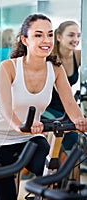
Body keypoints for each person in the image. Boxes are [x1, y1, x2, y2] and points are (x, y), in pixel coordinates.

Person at [0, 14, 87, 200]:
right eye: (38, 35)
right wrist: (19, 125)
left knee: (53, 175)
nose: (46, 40)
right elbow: (5, 108)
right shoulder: (8, 67)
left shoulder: (55, 69)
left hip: (30, 138)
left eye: (50, 35)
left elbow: (69, 103)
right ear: (25, 40)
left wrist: (79, 121)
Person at [42, 21, 81, 151]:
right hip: (47, 107)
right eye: (71, 35)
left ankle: (70, 169)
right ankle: (49, 167)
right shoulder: (51, 58)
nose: (76, 39)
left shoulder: (78, 55)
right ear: (58, 37)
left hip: (65, 105)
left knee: (75, 138)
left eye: (78, 35)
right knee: (68, 133)